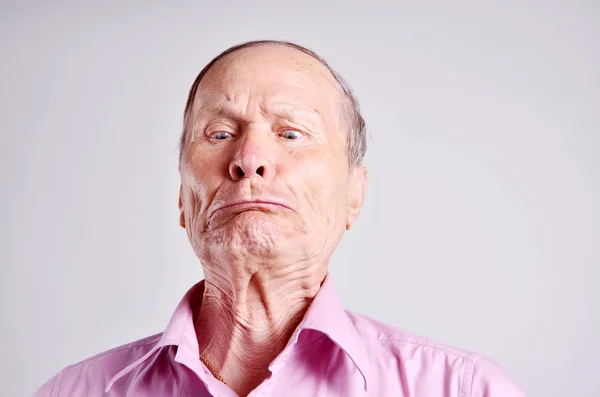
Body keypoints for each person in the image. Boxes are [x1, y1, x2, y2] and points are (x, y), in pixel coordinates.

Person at [33, 40, 526, 397]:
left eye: (291, 134)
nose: (250, 158)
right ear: (183, 198)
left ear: (354, 195)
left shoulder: (464, 390)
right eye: (220, 133)